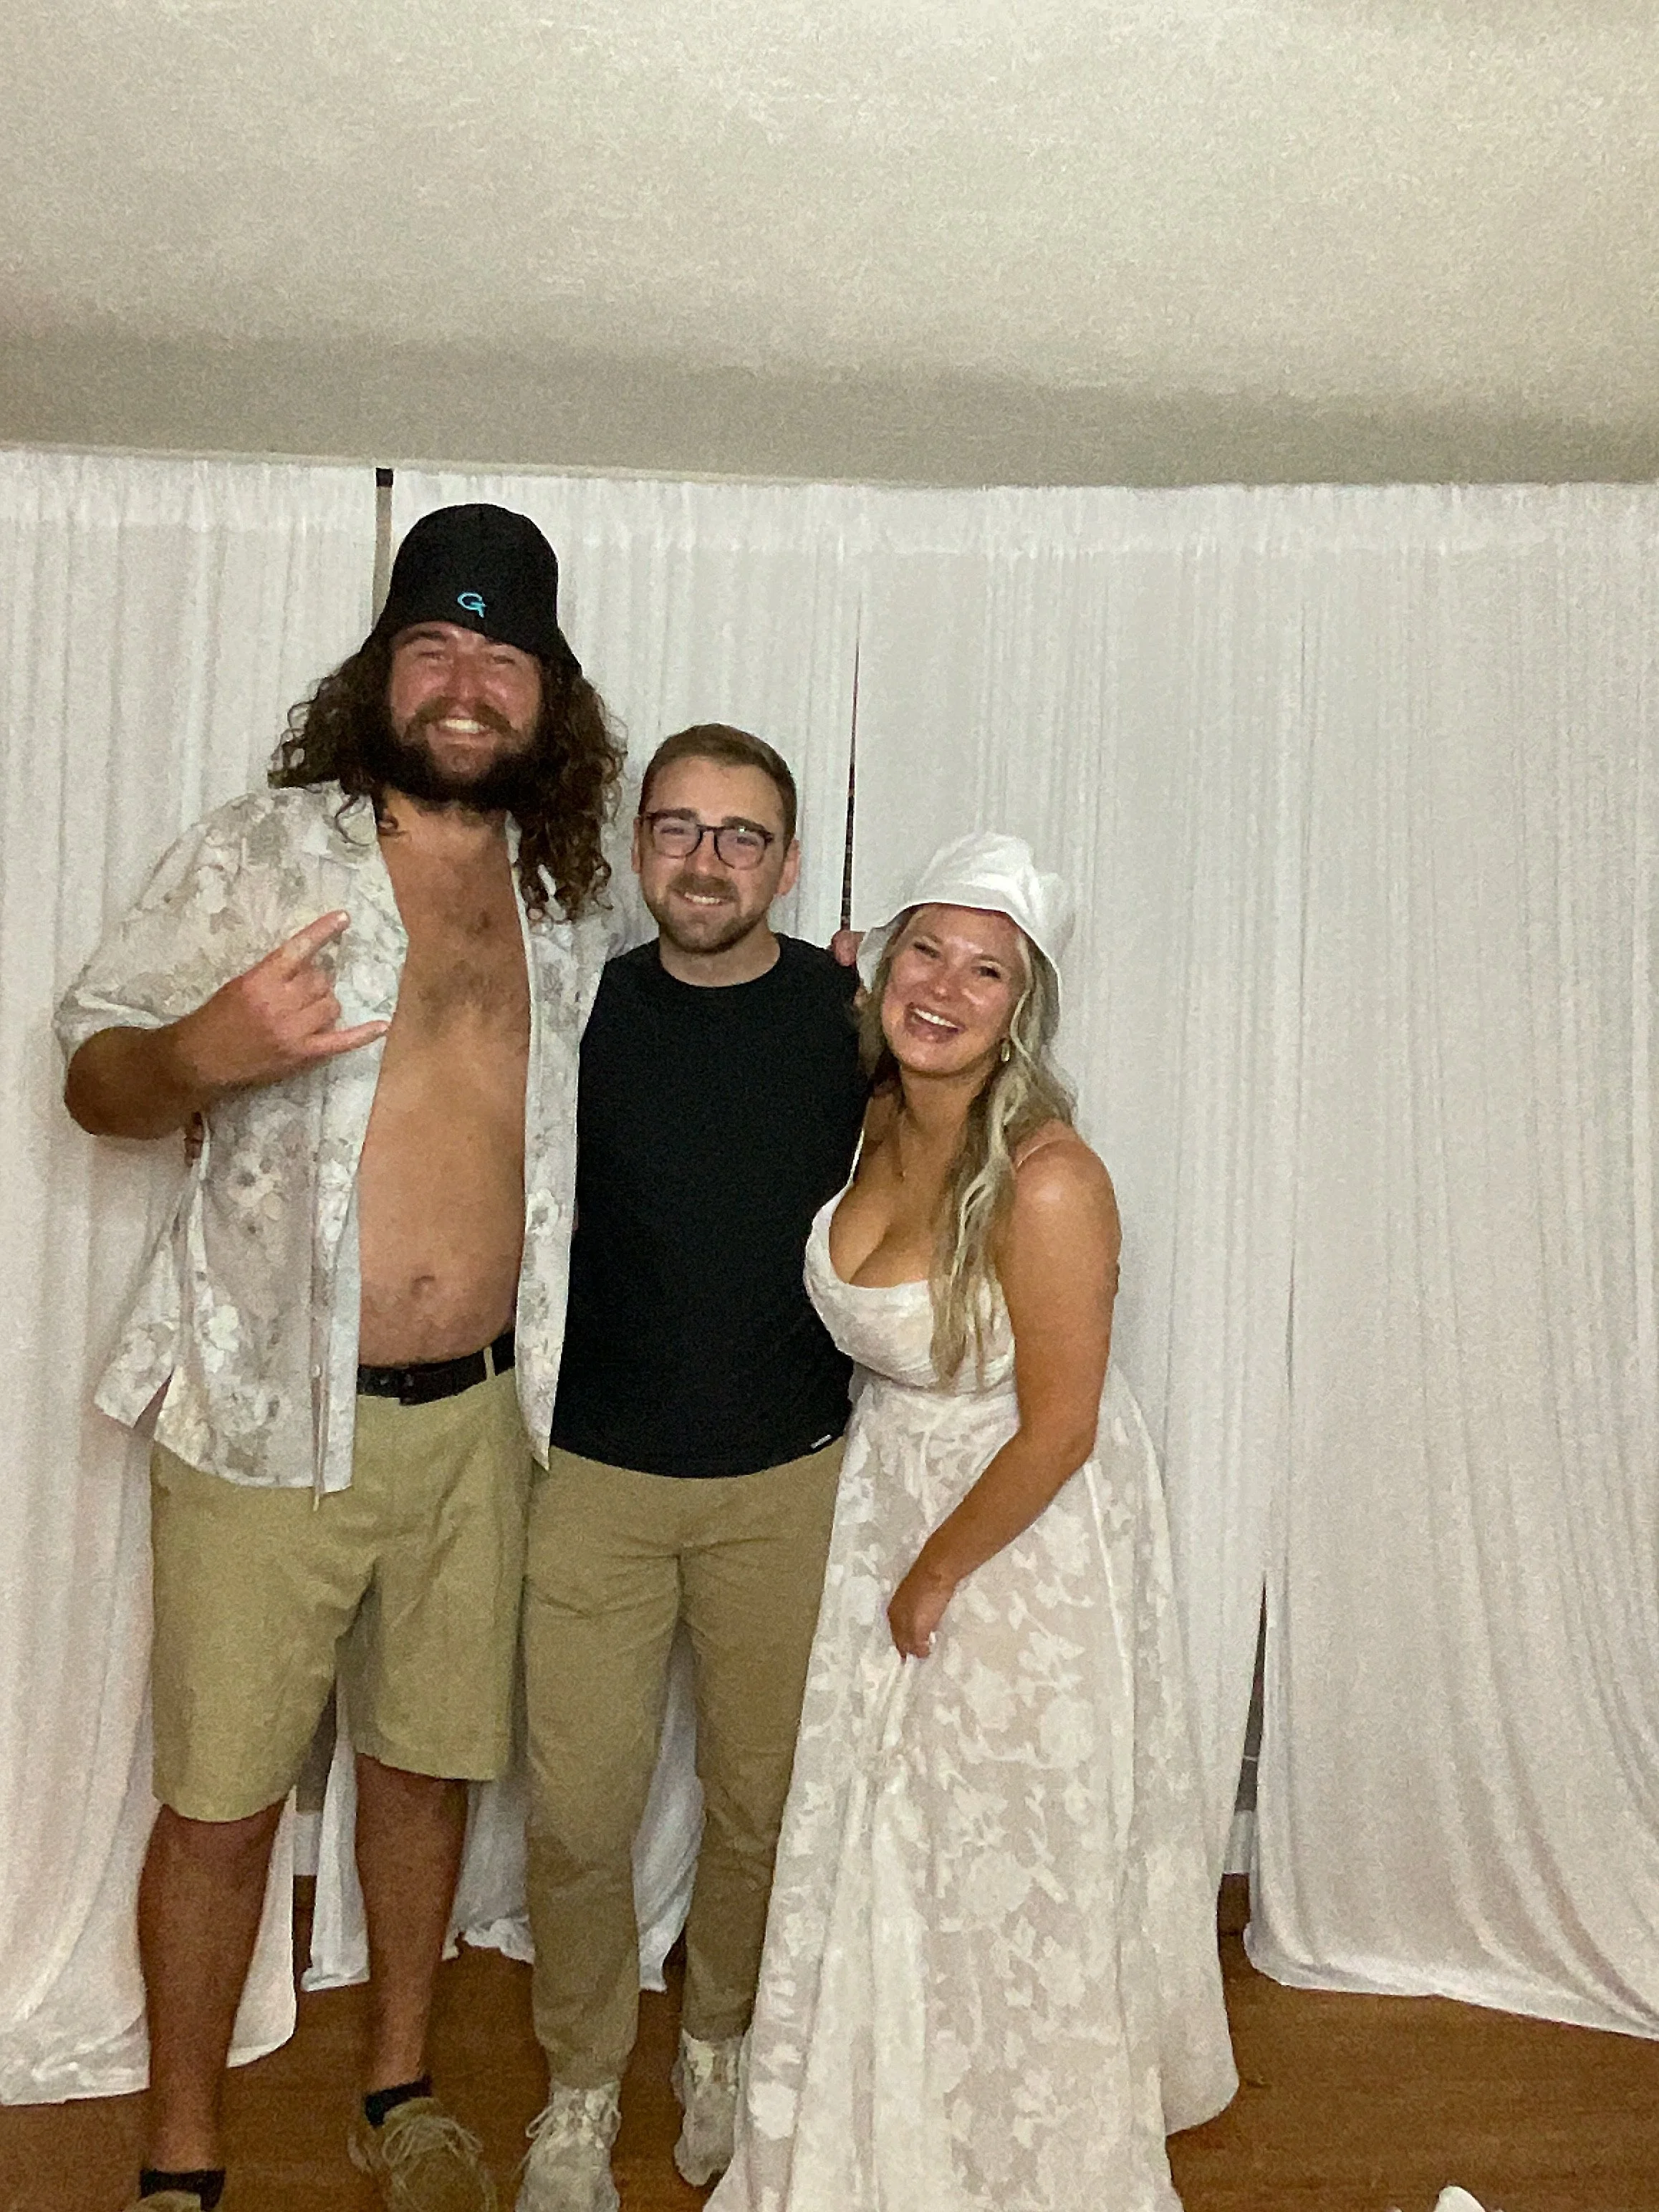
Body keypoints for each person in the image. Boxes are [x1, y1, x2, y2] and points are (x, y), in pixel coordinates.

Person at [55, 504, 625, 2212]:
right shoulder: (261, 851)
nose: (464, 683)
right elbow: (95, 1078)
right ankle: (179, 2152)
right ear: (384, 671)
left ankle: (397, 2085)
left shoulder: (561, 900)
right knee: (221, 1801)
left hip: (478, 1426)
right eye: (433, 649)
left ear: (546, 693)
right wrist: (202, 1047)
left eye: (499, 654)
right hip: (256, 1415)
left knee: (426, 1766)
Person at [708, 832, 1239, 2212]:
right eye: (922, 952)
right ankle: (872, 2114)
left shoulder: (1053, 1178)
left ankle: (1010, 2147)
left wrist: (932, 1575)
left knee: (999, 1852)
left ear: (1027, 1006)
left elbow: (1061, 1423)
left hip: (1015, 1545)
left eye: (985, 970)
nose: (944, 988)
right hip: (886, 1497)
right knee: (884, 1837)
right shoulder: (880, 1112)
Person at [514, 726, 867, 2212]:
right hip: (593, 1475)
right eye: (680, 827)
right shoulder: (574, 1014)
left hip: (787, 1477)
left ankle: (718, 2037)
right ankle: (582, 2081)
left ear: (786, 863)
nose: (707, 859)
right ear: (640, 845)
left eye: (742, 834)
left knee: (760, 1799)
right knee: (579, 1812)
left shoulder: (852, 1016)